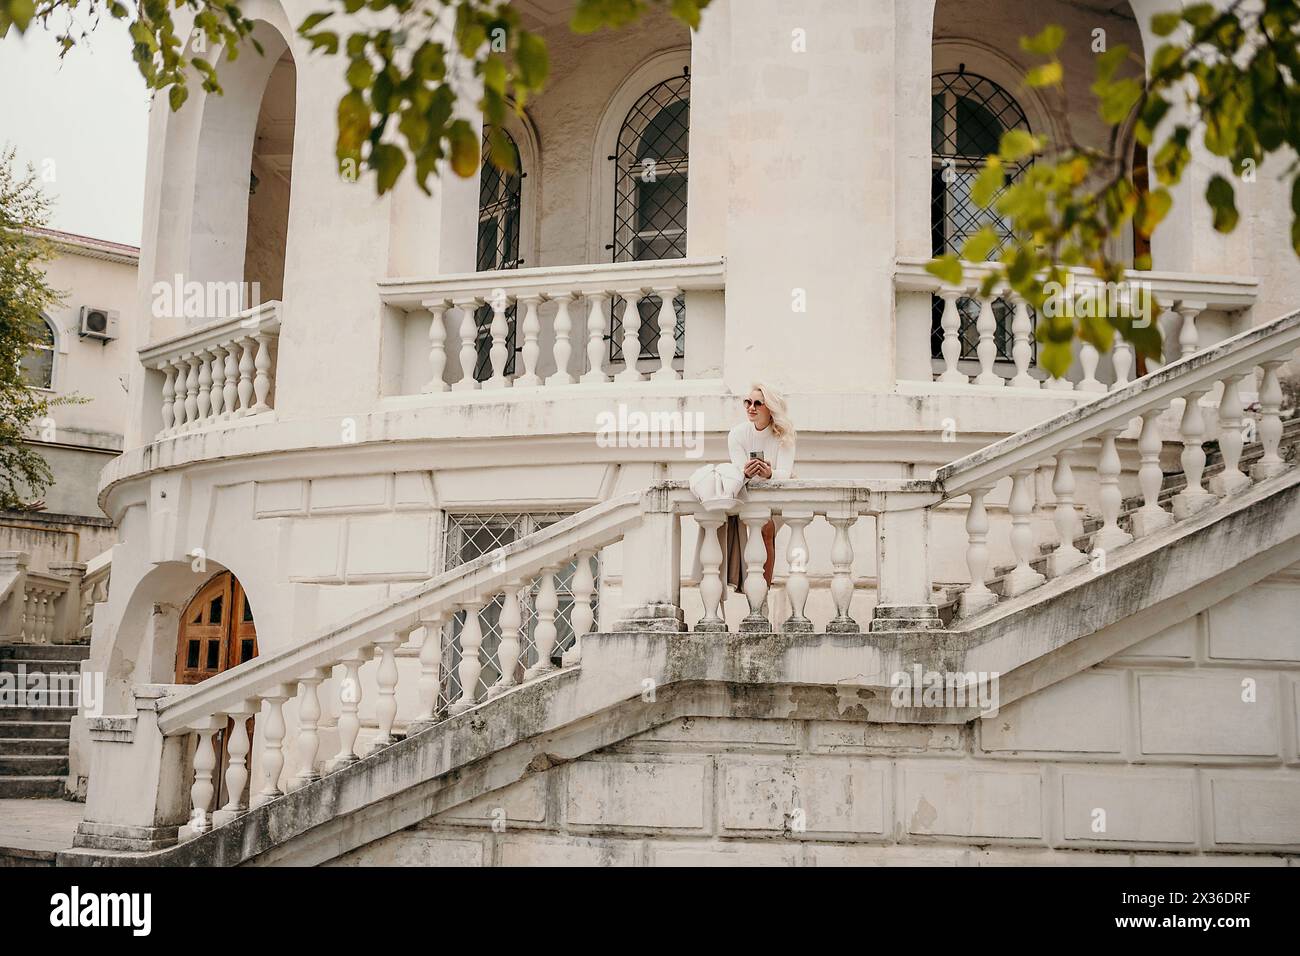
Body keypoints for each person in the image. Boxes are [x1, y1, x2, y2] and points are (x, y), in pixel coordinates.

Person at [726, 383, 797, 586]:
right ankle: (754, 594)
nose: (751, 407)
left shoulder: (784, 435)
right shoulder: (737, 434)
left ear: (770, 408)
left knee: (766, 529)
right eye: (748, 402)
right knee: (758, 531)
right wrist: (746, 472)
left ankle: (762, 592)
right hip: (748, 495)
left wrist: (769, 473)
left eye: (758, 403)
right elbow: (737, 469)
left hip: (777, 497)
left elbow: (786, 473)